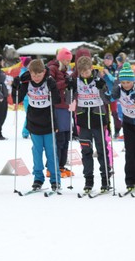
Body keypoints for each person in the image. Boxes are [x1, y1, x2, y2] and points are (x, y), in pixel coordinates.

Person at [11, 59, 61, 190]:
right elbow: (17, 98)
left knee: (51, 152)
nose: (37, 78)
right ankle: (38, 178)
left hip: (49, 122)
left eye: (39, 75)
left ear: (44, 72)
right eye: (34, 75)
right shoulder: (26, 81)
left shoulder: (49, 81)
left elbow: (57, 100)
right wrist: (15, 86)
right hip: (34, 122)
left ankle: (55, 179)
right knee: (36, 152)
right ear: (30, 73)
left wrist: (53, 86)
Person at [69, 56, 111, 192]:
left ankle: (105, 180)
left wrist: (102, 88)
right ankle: (88, 181)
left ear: (91, 69)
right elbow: (69, 100)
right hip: (83, 121)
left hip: (98, 119)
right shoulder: (76, 81)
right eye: (82, 72)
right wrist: (69, 88)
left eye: (86, 72)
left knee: (101, 151)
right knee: (86, 151)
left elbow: (108, 99)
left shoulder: (99, 80)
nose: (84, 74)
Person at [47, 47, 74, 178]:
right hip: (57, 106)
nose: (68, 62)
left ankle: (61, 165)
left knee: (66, 137)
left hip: (66, 106)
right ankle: (53, 166)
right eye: (66, 60)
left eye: (69, 60)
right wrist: (65, 82)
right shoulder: (52, 68)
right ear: (61, 58)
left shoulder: (64, 70)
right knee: (59, 138)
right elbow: (50, 85)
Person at [111, 62, 135, 190]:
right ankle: (130, 181)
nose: (126, 85)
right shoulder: (119, 89)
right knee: (130, 153)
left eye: (128, 82)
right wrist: (110, 94)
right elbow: (108, 98)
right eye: (123, 82)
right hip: (128, 123)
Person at [101, 52, 122, 138]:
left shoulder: (116, 68)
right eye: (105, 60)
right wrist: (101, 76)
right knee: (105, 114)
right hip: (105, 94)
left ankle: (117, 130)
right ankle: (108, 131)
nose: (106, 61)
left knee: (114, 113)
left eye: (108, 60)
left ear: (112, 60)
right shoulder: (102, 69)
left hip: (114, 94)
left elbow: (116, 81)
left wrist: (108, 74)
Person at [19, 56, 32, 138]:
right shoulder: (23, 73)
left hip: (32, 97)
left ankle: (29, 131)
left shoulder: (29, 72)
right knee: (29, 115)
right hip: (27, 98)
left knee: (31, 115)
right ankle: (25, 132)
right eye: (30, 63)